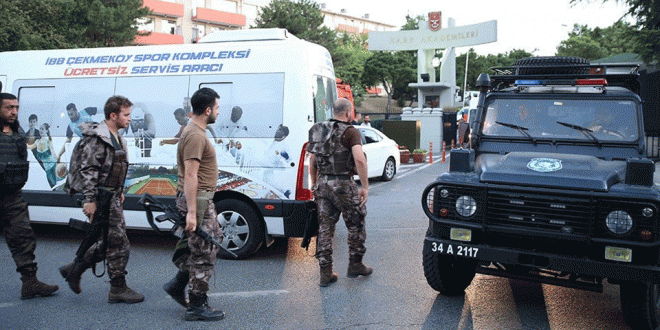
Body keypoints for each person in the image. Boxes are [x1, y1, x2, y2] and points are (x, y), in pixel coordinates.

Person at [60, 95, 144, 304]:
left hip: (112, 195)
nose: (130, 119)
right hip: (100, 196)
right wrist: (90, 200)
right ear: (113, 115)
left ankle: (75, 268)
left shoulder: (116, 136)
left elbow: (116, 165)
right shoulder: (97, 137)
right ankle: (117, 288)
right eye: (126, 115)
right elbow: (89, 169)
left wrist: (119, 188)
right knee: (119, 243)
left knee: (110, 241)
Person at [163, 87, 225, 321]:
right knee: (204, 253)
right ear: (208, 110)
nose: (218, 112)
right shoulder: (196, 135)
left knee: (201, 246)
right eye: (217, 108)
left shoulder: (197, 131)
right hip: (197, 200)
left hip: (200, 199)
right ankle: (197, 306)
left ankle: (177, 285)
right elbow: (191, 175)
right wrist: (191, 212)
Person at [307, 98, 372, 287]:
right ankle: (355, 265)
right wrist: (365, 187)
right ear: (348, 113)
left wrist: (314, 184)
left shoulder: (319, 129)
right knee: (356, 224)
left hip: (323, 184)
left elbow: (312, 161)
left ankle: (325, 273)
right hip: (343, 184)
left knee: (325, 228)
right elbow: (359, 159)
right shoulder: (351, 132)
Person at [0, 93, 59, 299]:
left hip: (12, 195)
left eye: (16, 107)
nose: (14, 112)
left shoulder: (17, 131)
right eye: (9, 108)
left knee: (23, 237)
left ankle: (30, 283)